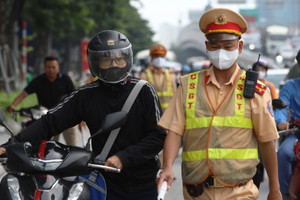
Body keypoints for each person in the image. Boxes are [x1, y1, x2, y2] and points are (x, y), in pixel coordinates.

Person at [1, 30, 166, 199]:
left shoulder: (144, 90)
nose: (114, 64)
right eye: (106, 59)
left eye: (119, 58)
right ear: (96, 63)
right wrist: (10, 145)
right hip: (105, 182)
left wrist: (123, 157)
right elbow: (50, 122)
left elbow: (158, 136)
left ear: (127, 60)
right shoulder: (85, 95)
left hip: (144, 182)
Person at [156, 8, 282, 200]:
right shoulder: (187, 86)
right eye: (214, 46)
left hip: (240, 191)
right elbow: (174, 131)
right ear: (206, 46)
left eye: (228, 46)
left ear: (240, 47)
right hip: (196, 192)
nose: (221, 51)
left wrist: (275, 189)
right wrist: (167, 167)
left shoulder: (257, 90)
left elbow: (267, 142)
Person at [6, 56, 77, 146]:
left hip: (65, 117)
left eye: (53, 67)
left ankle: (74, 159)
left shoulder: (65, 79)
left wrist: (82, 118)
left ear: (58, 67)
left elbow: (76, 97)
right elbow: (24, 94)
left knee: (72, 145)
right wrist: (13, 105)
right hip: (47, 118)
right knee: (48, 146)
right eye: (48, 67)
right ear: (44, 68)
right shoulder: (39, 80)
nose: (51, 70)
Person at [274, 71, 300, 199]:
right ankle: (284, 193)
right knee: (283, 154)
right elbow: (281, 108)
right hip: (296, 133)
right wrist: (282, 121)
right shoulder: (290, 86)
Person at [140, 44, 177, 112]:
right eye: (156, 56)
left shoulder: (171, 75)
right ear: (151, 58)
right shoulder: (144, 75)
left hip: (168, 115)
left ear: (165, 58)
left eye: (161, 56)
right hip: (152, 115)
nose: (159, 58)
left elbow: (175, 97)